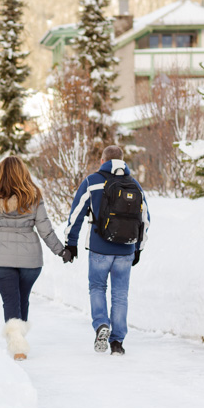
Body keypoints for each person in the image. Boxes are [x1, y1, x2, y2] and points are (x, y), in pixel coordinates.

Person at [0, 156, 72, 360]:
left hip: (0, 260)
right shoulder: (34, 196)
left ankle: (17, 344)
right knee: (22, 298)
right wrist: (61, 250)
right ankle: (18, 342)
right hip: (30, 260)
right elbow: (45, 229)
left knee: (11, 300)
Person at [64, 145, 150, 356]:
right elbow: (145, 219)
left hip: (100, 248)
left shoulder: (92, 181)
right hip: (126, 249)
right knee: (120, 294)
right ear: (122, 160)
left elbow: (76, 213)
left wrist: (71, 243)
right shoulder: (134, 184)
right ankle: (117, 342)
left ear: (103, 160)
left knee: (97, 287)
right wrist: (138, 248)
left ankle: (101, 324)